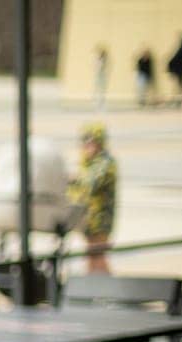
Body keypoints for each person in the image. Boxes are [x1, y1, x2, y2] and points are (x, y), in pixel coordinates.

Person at [68, 122, 118, 276]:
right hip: (89, 220)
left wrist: (74, 180)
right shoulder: (90, 163)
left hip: (100, 221)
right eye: (84, 143)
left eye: (90, 143)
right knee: (93, 256)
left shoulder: (105, 163)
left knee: (97, 255)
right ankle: (95, 286)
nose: (85, 147)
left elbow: (90, 185)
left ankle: (104, 288)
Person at [168, 34, 182, 105]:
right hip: (179, 69)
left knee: (180, 85)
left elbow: (175, 59)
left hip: (179, 70)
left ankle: (180, 99)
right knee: (180, 85)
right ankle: (179, 99)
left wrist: (171, 67)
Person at [93, 45, 109, 111]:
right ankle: (97, 102)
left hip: (102, 75)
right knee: (97, 88)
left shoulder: (105, 59)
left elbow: (103, 67)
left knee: (102, 89)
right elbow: (96, 67)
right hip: (98, 75)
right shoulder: (98, 59)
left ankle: (101, 102)